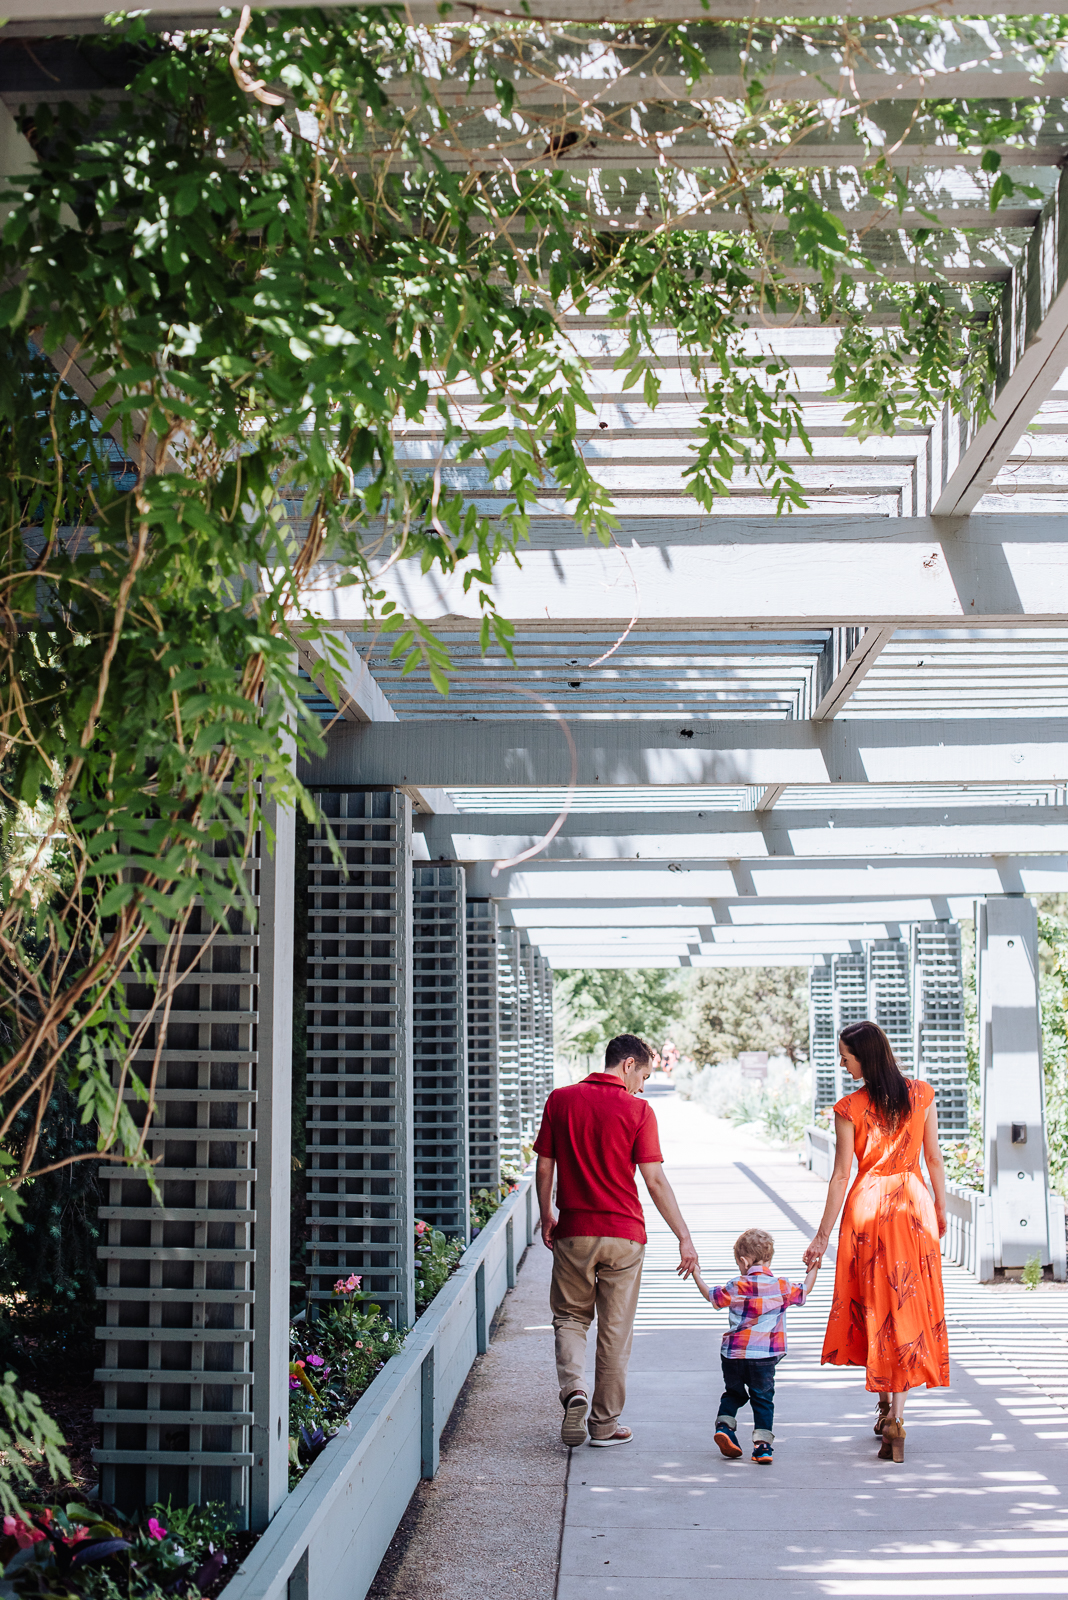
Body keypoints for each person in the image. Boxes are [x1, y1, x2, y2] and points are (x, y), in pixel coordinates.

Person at [534, 1033, 698, 1449]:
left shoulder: (560, 1100)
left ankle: (575, 1389)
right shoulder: (638, 1110)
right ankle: (604, 1427)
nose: (642, 1085)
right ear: (627, 1065)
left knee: (570, 1318)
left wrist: (546, 1215)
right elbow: (655, 1180)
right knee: (615, 1331)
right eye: (642, 1075)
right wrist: (684, 1236)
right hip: (624, 1235)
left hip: (573, 1231)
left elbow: (544, 1166)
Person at [803, 1019, 950, 1464]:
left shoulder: (850, 1106)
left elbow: (842, 1174)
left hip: (867, 1208)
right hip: (913, 1205)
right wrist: (939, 1209)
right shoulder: (921, 1094)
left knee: (875, 1304)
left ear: (863, 1056)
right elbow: (934, 1158)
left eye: (846, 1056)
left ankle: (884, 1406)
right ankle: (895, 1416)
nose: (842, 1063)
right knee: (904, 1305)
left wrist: (822, 1234)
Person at [692, 1227, 818, 1466]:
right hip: (764, 1357)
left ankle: (725, 1427)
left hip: (733, 1355)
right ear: (769, 1258)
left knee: (734, 1393)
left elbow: (712, 1297)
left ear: (743, 1260)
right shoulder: (781, 1286)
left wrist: (697, 1273)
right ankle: (762, 1447)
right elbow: (805, 1290)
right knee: (763, 1398)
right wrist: (813, 1270)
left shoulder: (736, 1285)